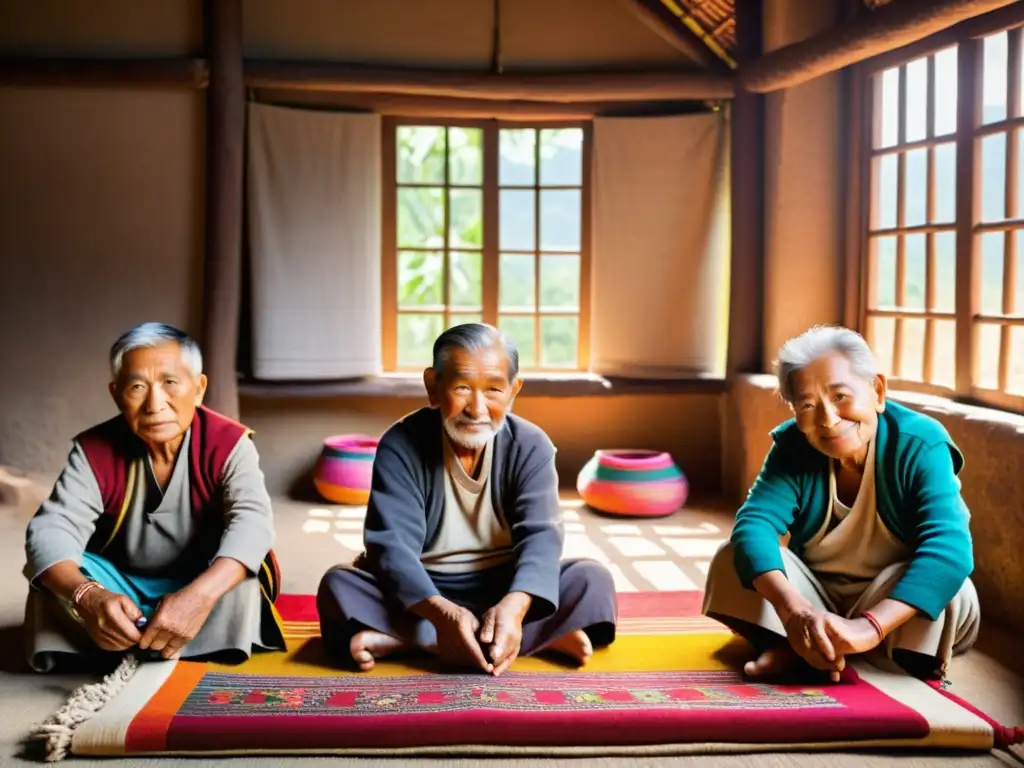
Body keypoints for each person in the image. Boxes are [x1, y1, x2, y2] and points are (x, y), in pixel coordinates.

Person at [317, 323, 617, 676]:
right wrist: (442, 612)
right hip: (425, 591)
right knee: (339, 584)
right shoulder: (401, 444)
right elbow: (392, 548)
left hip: (505, 585)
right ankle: (531, 636)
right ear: (433, 386)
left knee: (591, 579)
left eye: (493, 390)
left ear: (513, 390)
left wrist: (515, 608)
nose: (477, 408)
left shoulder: (531, 445)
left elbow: (541, 539)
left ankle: (414, 640)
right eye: (461, 387)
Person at [703, 325, 979, 681]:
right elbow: (754, 525)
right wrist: (794, 611)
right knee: (732, 558)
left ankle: (838, 651)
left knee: (947, 589)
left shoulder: (921, 443)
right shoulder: (793, 447)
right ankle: (803, 643)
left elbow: (949, 549)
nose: (828, 420)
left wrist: (868, 629)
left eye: (840, 397)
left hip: (891, 602)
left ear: (877, 391)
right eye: (807, 404)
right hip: (819, 599)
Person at [23, 322, 285, 672]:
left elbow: (252, 523)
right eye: (136, 387)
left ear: (199, 387)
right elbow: (52, 529)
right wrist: (87, 595)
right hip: (118, 584)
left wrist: (200, 596)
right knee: (52, 582)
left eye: (170, 383)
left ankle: (131, 643)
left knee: (242, 580)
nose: (154, 403)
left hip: (198, 579)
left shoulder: (229, 443)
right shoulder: (94, 450)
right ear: (116, 394)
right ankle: (127, 629)